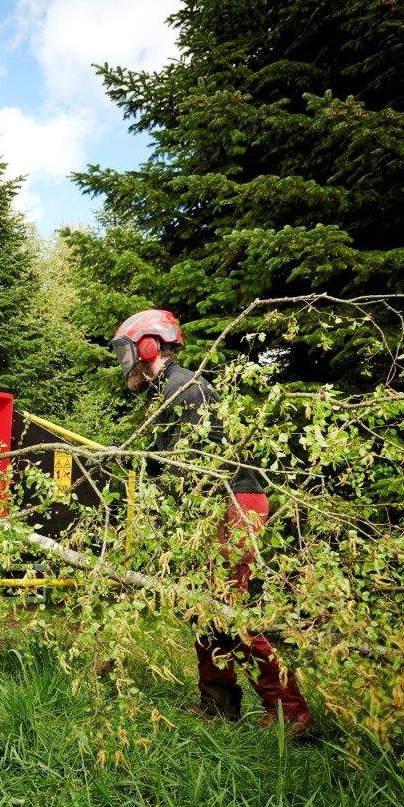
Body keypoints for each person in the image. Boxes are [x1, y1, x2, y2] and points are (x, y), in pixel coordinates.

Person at [111, 308, 313, 737]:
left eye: (126, 352)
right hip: (209, 506)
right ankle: (219, 703)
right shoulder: (167, 392)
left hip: (231, 502)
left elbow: (195, 466)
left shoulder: (187, 389)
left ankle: (292, 714)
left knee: (227, 607)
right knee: (203, 608)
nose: (123, 364)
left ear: (149, 346)